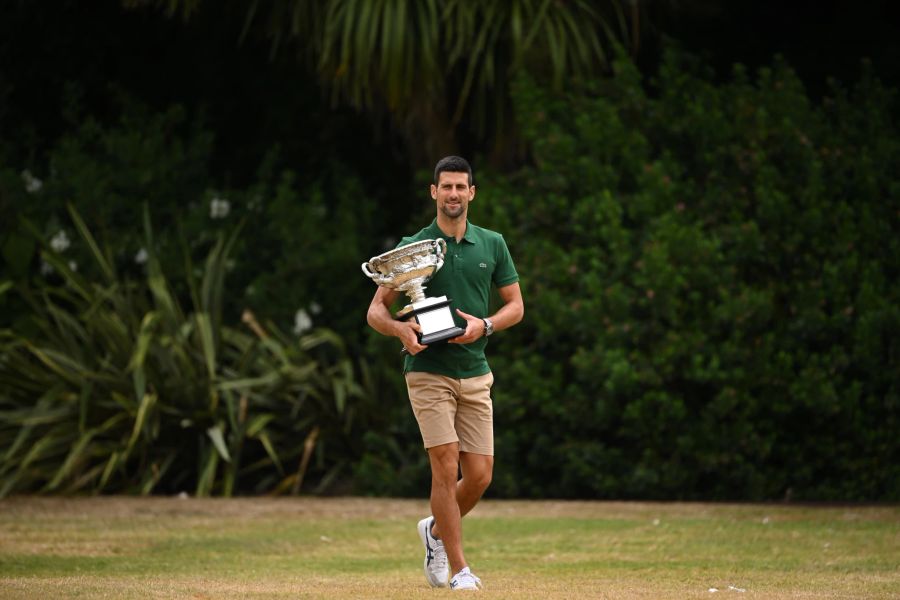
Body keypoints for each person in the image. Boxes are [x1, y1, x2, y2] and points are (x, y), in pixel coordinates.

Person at [366, 156, 524, 591]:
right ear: (433, 192)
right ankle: (461, 571)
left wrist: (484, 325)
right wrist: (401, 330)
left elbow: (516, 307)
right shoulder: (412, 246)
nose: (453, 194)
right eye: (445, 187)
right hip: (427, 372)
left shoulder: (492, 244)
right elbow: (375, 311)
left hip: (476, 371)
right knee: (444, 464)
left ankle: (434, 533)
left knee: (480, 475)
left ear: (472, 193)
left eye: (461, 187)